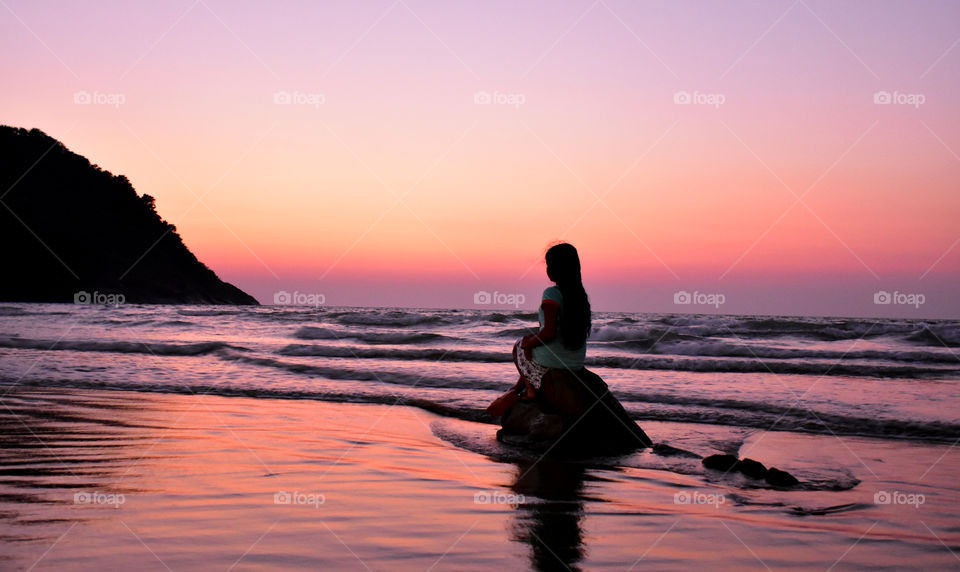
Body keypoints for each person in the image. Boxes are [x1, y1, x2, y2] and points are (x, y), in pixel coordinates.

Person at [514, 242, 591, 400]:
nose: (547, 269)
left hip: (554, 362)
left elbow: (549, 333)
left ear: (557, 269)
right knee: (531, 340)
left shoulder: (551, 293)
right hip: (576, 363)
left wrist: (528, 344)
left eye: (549, 265)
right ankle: (520, 385)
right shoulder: (580, 296)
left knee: (519, 346)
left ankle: (530, 390)